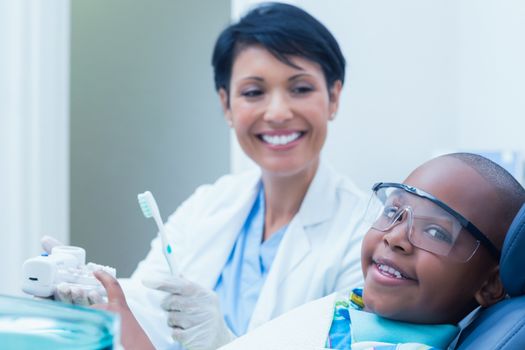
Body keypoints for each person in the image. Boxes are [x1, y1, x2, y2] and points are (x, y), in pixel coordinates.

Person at [41, 3, 368, 349]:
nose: (277, 112)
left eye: (300, 88)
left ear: (333, 97)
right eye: (254, 92)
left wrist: (225, 343)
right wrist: (96, 294)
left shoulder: (363, 234)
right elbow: (142, 311)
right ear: (226, 105)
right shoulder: (207, 206)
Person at [218, 152, 525, 349]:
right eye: (393, 212)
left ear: (489, 284)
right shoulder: (355, 308)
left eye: (435, 232)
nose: (395, 237)